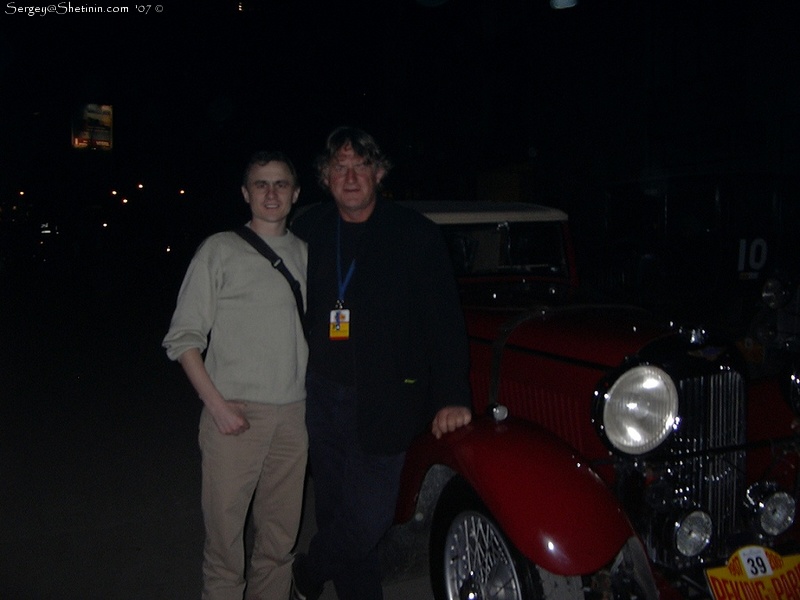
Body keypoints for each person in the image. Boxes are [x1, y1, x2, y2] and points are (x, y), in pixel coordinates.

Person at [289, 127, 472, 600]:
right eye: (339, 168)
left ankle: (310, 569)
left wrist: (452, 395)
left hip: (389, 397)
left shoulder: (415, 233)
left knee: (368, 518)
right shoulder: (306, 230)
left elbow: (445, 322)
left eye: (360, 166)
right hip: (322, 395)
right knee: (334, 509)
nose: (350, 177)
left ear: (379, 172)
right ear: (325, 178)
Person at [162, 151, 308, 600]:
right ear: (245, 194)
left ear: (295, 194)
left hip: (294, 418)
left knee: (279, 545)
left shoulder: (306, 254)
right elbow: (182, 338)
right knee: (225, 551)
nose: (271, 193)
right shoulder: (219, 249)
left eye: (280, 184)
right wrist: (217, 406)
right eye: (261, 184)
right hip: (234, 417)